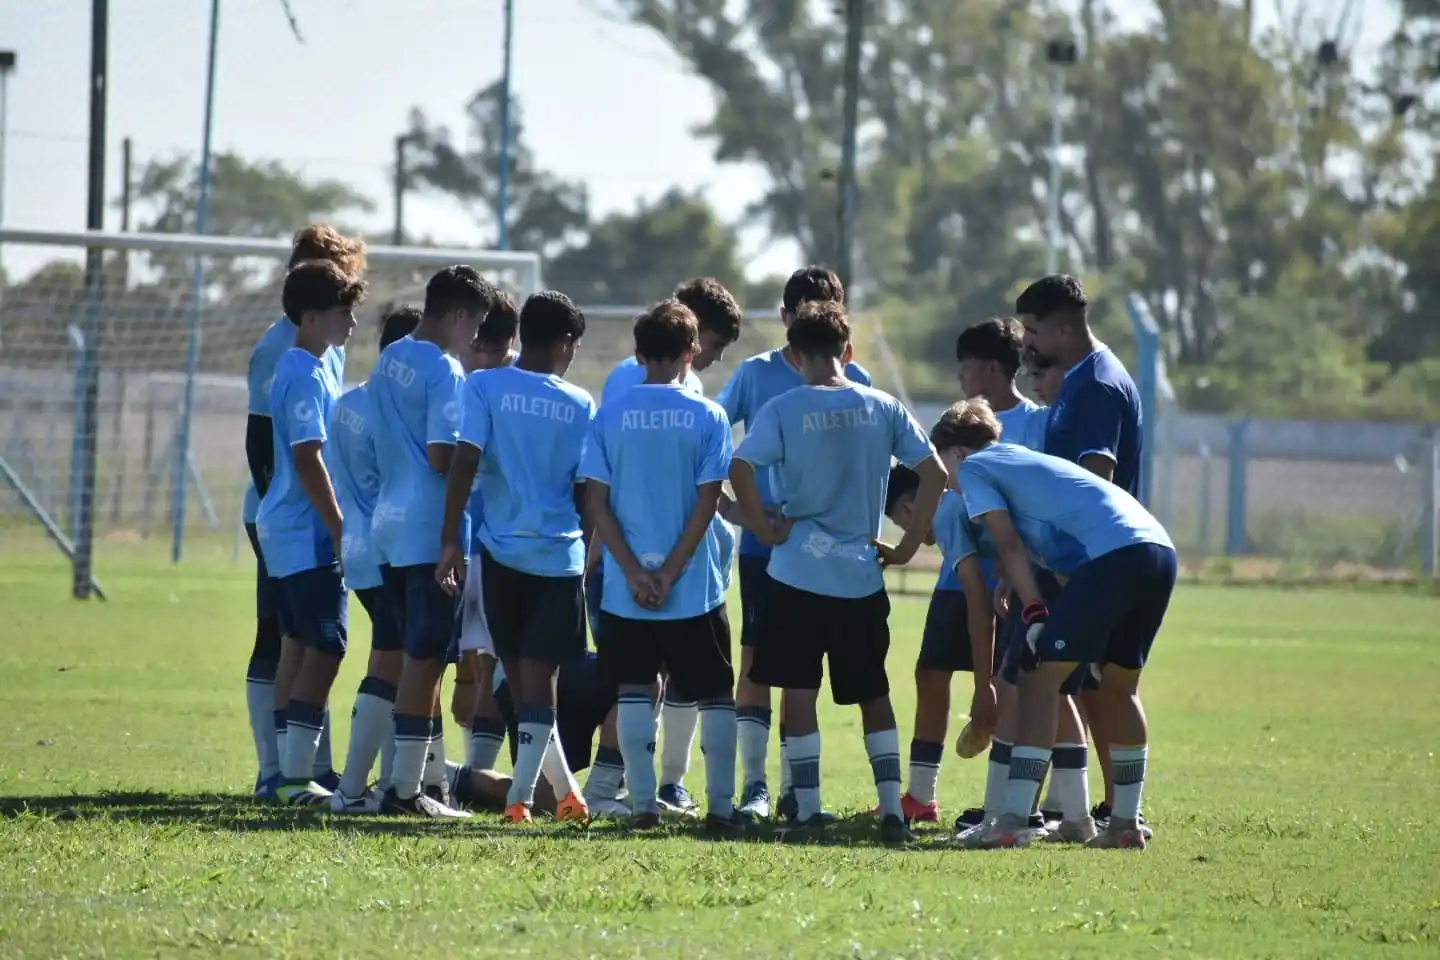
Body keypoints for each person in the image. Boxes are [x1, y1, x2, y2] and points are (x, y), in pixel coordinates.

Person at [729, 299, 946, 846]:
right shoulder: (883, 407)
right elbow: (936, 473)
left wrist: (763, 526)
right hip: (861, 576)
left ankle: (807, 809)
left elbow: (740, 466)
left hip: (796, 570)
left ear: (796, 354)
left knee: (797, 690)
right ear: (847, 351)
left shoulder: (783, 407)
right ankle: (894, 810)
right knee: (873, 691)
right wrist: (907, 547)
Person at [931, 399, 1175, 850]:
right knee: (1120, 688)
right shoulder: (1023, 462)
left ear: (957, 454)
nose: (948, 480)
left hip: (1115, 558)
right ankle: (1124, 824)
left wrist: (1037, 611)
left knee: (1038, 679)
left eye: (943, 464)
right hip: (1157, 551)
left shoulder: (976, 468)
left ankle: (1013, 819)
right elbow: (1064, 561)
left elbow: (1006, 543)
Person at [715, 265, 870, 825]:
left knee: (812, 676)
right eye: (799, 315)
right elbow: (713, 437)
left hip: (838, 558)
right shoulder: (756, 376)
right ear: (784, 320)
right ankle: (755, 787)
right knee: (758, 664)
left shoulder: (861, 384)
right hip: (769, 549)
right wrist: (738, 510)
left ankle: (797, 792)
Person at [581, 299, 740, 836]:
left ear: (638, 352)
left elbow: (596, 504)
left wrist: (630, 569)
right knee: (715, 693)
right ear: (691, 353)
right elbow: (707, 503)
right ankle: (720, 808)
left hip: (627, 590)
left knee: (632, 690)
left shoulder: (610, 415)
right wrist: (670, 572)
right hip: (693, 586)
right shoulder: (709, 416)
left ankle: (644, 806)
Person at [437, 290, 594, 825]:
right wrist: (594, 554)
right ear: (566, 342)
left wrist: (449, 541)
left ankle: (526, 799)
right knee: (539, 683)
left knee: (522, 682)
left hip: (500, 553)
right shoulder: (579, 403)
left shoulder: (484, 385)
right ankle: (535, 797)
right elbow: (585, 490)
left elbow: (464, 464)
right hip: (559, 558)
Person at [1016, 275, 1147, 834]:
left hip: (1097, 560)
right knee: (1096, 686)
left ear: (1064, 329)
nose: (1028, 342)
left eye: (1034, 330)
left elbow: (1099, 475)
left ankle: (1115, 815)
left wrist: (1075, 563)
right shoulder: (1079, 378)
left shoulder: (1095, 384)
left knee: (1089, 684)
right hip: (1091, 559)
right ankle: (1115, 812)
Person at [368, 265, 498, 819]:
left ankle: (400, 785)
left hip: (389, 521)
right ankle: (404, 791)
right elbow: (444, 457)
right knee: (424, 664)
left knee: (406, 660)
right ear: (460, 314)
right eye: (476, 327)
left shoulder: (390, 355)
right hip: (429, 529)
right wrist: (491, 456)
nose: (476, 341)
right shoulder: (444, 369)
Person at [242, 224, 362, 799]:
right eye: (344, 309)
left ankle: (292, 774)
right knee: (324, 643)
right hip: (303, 530)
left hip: (298, 527)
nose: (352, 322)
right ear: (312, 315)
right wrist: (339, 527)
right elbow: (304, 457)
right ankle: (289, 772)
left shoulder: (314, 361)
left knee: (297, 641)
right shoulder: (294, 366)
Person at [326, 305, 420, 813]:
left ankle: (376, 784)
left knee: (393, 655)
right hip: (389, 550)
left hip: (356, 547)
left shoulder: (349, 401)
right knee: (396, 657)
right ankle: (363, 788)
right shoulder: (391, 410)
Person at [450, 292, 521, 773]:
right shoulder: (450, 380)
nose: (478, 358)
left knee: (494, 668)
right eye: (474, 347)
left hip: (497, 547)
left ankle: (474, 777)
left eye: (488, 349)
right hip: (457, 543)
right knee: (466, 671)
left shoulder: (511, 390)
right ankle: (460, 774)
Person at [450, 652, 626, 819]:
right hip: (543, 677)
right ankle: (444, 774)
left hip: (536, 674)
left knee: (546, 799)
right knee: (641, 686)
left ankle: (604, 791)